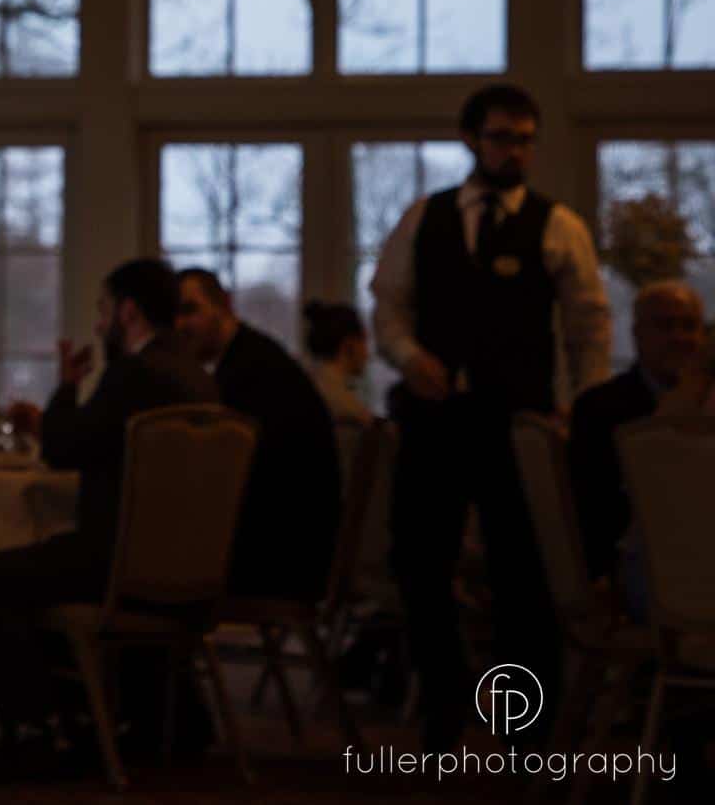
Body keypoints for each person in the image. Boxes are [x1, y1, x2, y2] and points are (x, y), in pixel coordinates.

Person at [368, 82, 611, 750]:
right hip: (436, 418)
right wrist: (411, 356)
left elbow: (589, 324)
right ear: (473, 139)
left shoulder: (557, 223)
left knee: (522, 573)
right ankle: (441, 709)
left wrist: (579, 406)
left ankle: (522, 723)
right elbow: (388, 304)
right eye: (503, 136)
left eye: (527, 138)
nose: (516, 151)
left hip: (517, 421)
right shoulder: (426, 216)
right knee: (420, 561)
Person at [0, 258, 217, 768]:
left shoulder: (133, 374)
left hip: (118, 564)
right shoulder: (197, 377)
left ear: (128, 312)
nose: (99, 325)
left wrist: (65, 387)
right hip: (187, 570)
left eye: (102, 311)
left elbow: (64, 446)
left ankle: (38, 730)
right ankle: (93, 717)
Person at [174, 270, 342, 602]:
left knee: (149, 561)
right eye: (174, 315)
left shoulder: (249, 371)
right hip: (298, 549)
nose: (180, 325)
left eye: (190, 310)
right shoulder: (252, 357)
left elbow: (228, 477)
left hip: (285, 560)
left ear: (225, 305)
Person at [569, 280, 705, 580]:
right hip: (644, 566)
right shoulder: (598, 408)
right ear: (638, 334)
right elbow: (593, 510)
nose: (678, 337)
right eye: (665, 326)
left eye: (689, 326)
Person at [302, 299, 375, 426]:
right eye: (364, 342)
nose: (368, 355)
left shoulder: (313, 381)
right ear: (349, 344)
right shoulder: (345, 405)